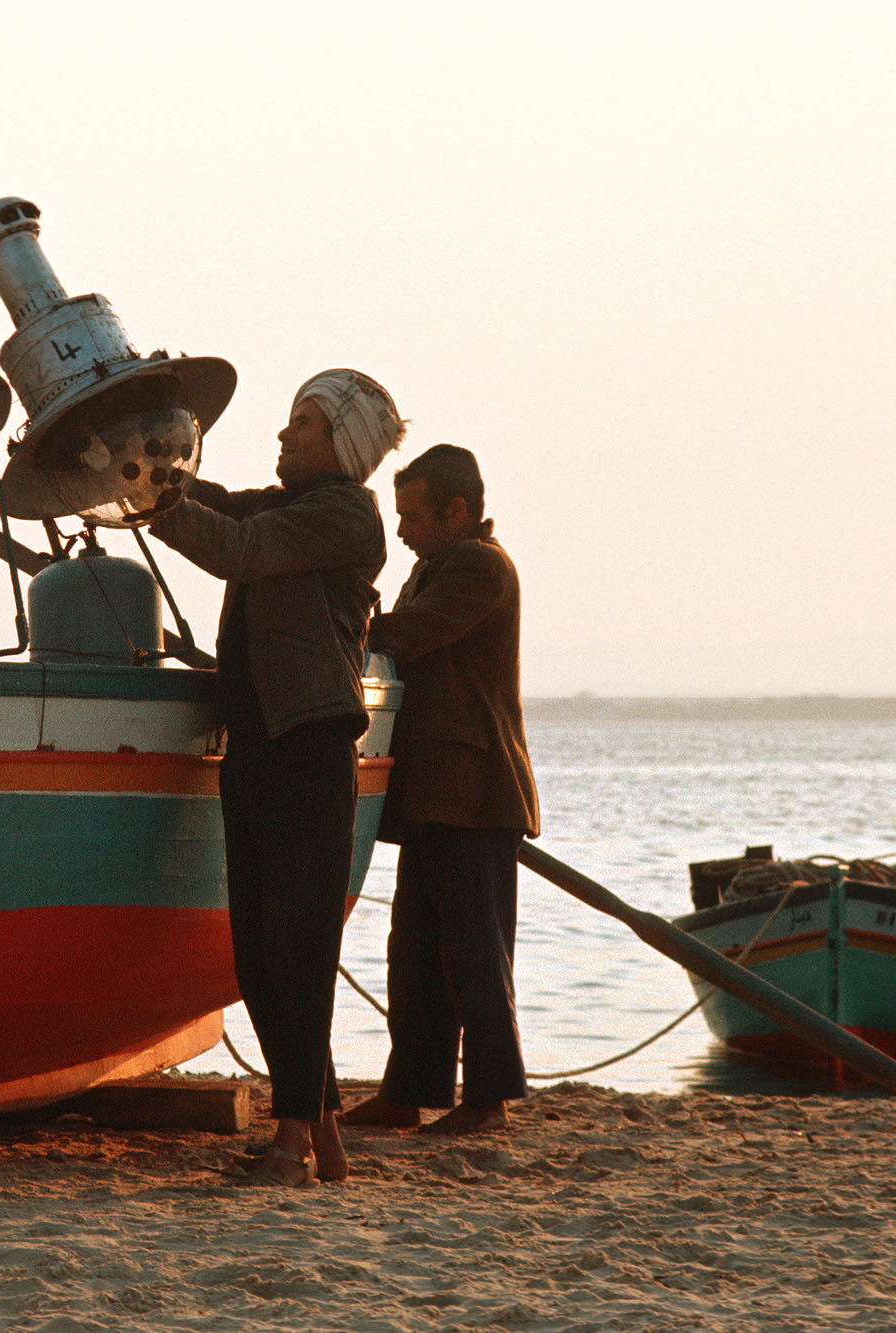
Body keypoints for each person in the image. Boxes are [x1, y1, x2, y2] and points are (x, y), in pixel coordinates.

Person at [148, 368, 403, 1185]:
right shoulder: (290, 504)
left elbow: (239, 547)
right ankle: (322, 1137)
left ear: (342, 446)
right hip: (258, 746)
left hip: (309, 752)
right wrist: (154, 470)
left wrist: (152, 501)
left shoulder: (344, 515)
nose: (284, 434)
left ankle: (292, 1141)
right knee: (261, 955)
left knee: (294, 950)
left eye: (303, 423)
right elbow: (221, 505)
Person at [342, 444, 539, 1137]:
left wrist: (332, 617)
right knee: (416, 951)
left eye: (414, 515)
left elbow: (408, 637)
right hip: (433, 792)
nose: (402, 531)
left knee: (475, 949)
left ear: (458, 510)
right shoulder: (435, 567)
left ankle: (488, 1096)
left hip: (473, 792)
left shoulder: (480, 568)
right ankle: (410, 1089)